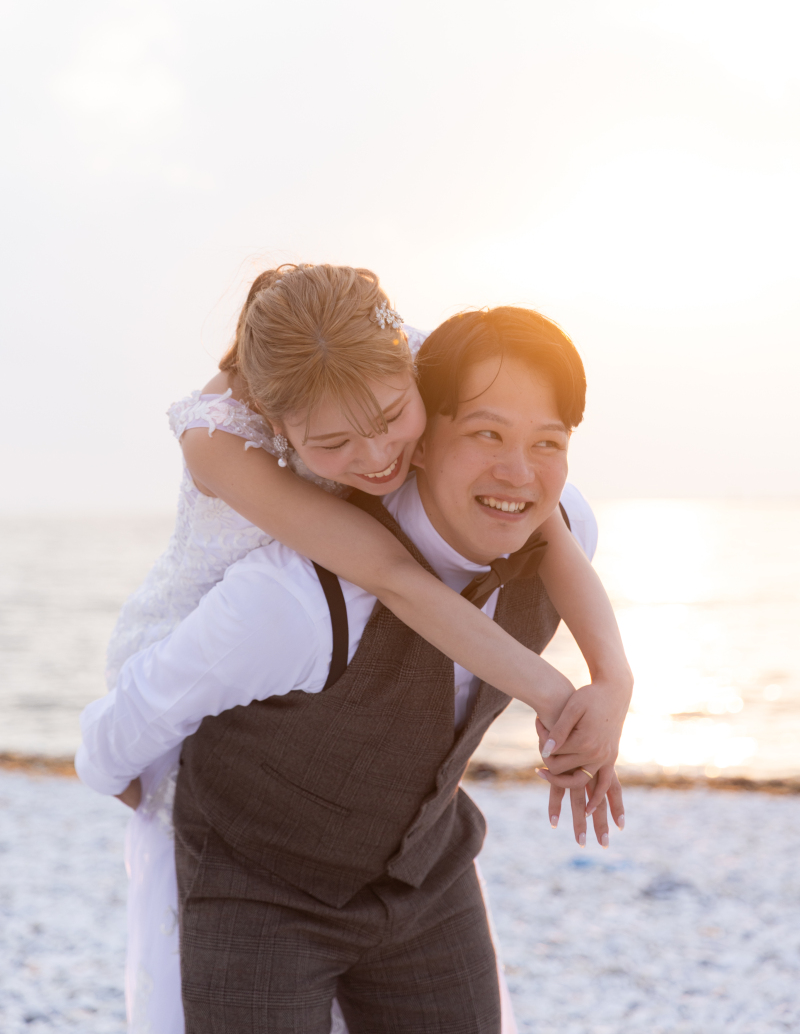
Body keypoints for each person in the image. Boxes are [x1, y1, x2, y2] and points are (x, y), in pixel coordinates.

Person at [77, 291, 632, 1033]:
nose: (519, 473)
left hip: (425, 873)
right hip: (261, 882)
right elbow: (133, 712)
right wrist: (122, 775)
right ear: (432, 436)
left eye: (546, 444)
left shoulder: (559, 531)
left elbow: (552, 518)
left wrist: (612, 686)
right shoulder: (292, 598)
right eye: (487, 433)